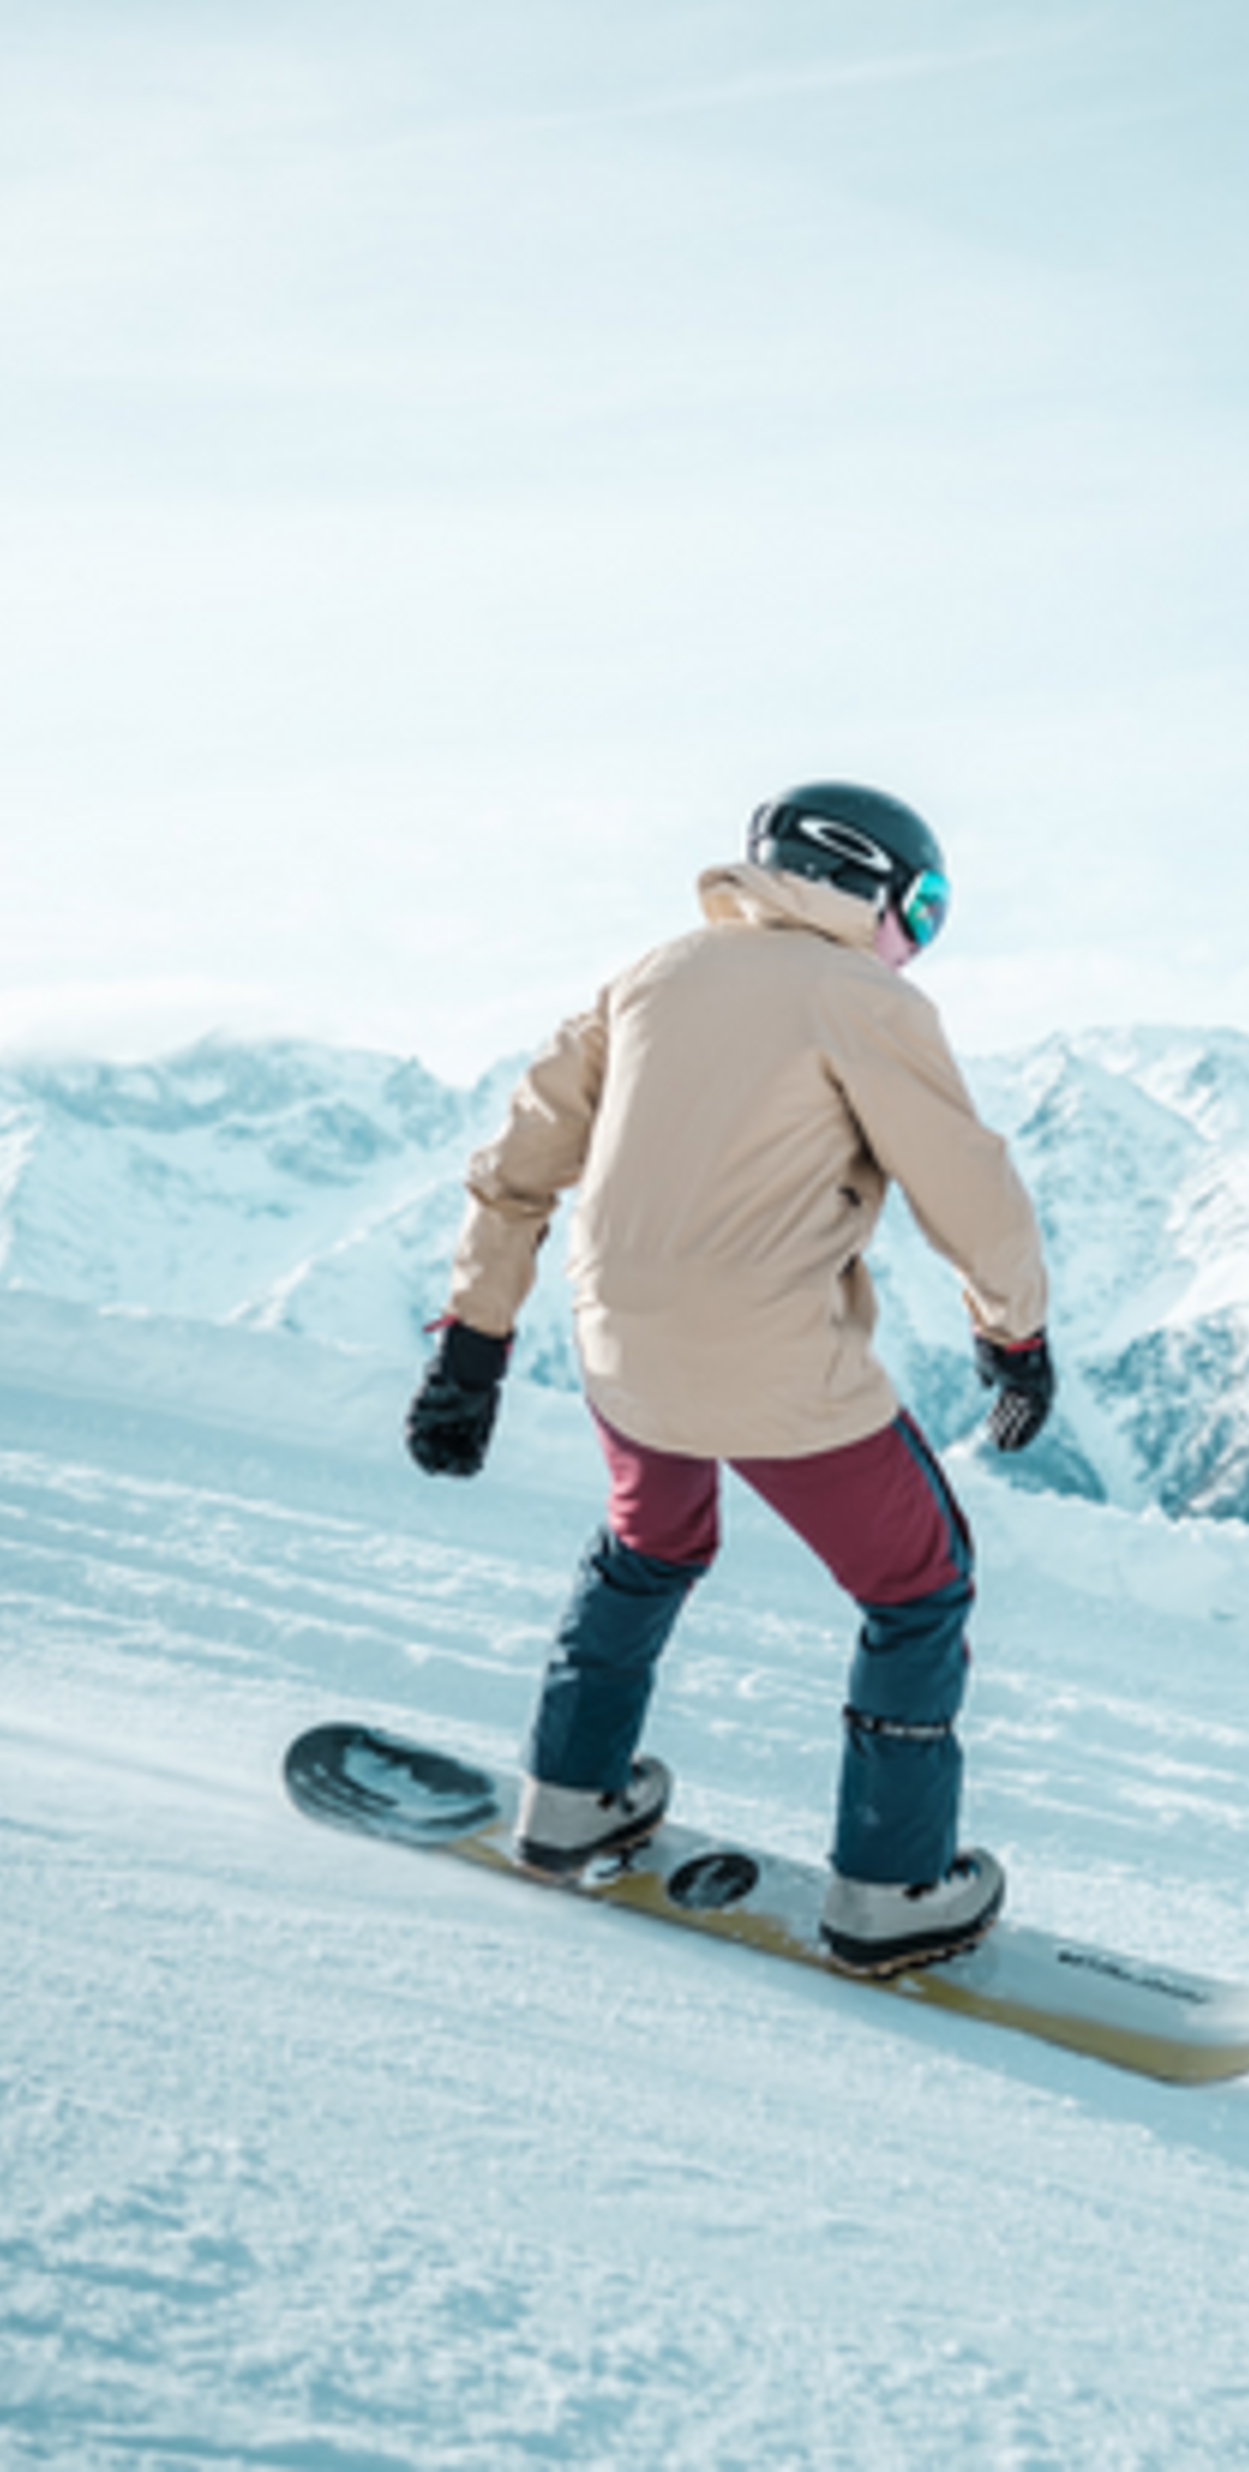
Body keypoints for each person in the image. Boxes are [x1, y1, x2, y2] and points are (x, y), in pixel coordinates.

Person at [402, 781, 1058, 1973]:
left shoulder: (647, 978)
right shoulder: (861, 995)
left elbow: (514, 1167)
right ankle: (890, 1887)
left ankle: (568, 1801)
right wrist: (1015, 1333)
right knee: (918, 1587)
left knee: (648, 1546)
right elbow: (966, 1183)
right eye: (925, 908)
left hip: (623, 1352)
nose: (916, 942)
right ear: (868, 884)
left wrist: (473, 1346)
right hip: (774, 1363)